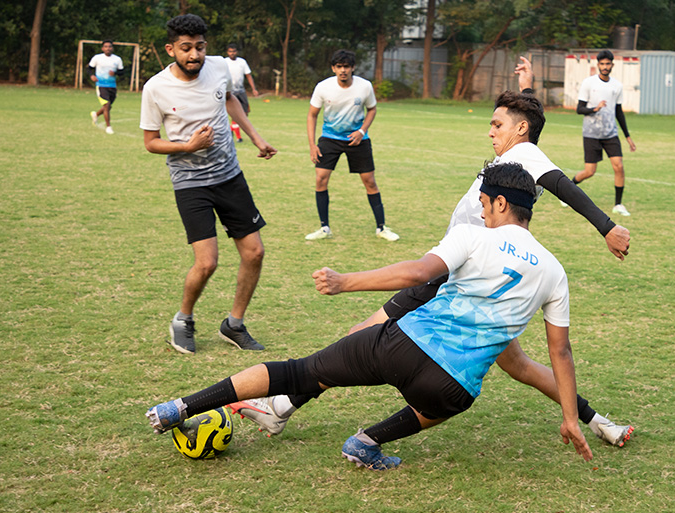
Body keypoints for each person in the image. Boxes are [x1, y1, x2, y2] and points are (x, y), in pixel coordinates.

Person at [230, 57, 635, 448]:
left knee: (361, 336)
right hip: (477, 276)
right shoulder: (518, 153)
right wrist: (526, 87)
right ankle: (600, 423)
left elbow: (566, 186)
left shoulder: (526, 155)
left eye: (497, 125)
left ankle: (281, 405)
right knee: (522, 367)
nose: (490, 132)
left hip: (455, 274)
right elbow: (529, 126)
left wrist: (607, 227)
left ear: (520, 129)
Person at [147, 162, 593, 470]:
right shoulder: (555, 271)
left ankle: (180, 406)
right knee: (445, 404)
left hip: (397, 345)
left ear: (499, 203)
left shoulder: (472, 236)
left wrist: (346, 281)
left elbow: (420, 273)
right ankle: (368, 442)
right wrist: (570, 418)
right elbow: (561, 351)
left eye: (482, 201)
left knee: (297, 372)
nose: (479, 209)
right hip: (450, 383)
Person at [139, 14, 278, 353]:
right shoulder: (156, 88)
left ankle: (234, 324)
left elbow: (228, 99)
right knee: (207, 262)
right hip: (191, 183)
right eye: (186, 48)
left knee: (255, 252)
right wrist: (187, 146)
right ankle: (183, 319)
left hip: (230, 176)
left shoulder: (218, 68)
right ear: (171, 49)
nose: (194, 56)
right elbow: (151, 142)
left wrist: (255, 137)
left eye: (200, 47)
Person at [305, 49, 398, 242]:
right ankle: (324, 228)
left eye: (346, 66)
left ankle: (381, 228)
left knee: (370, 182)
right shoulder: (323, 87)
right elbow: (312, 114)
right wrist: (312, 145)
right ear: (333, 68)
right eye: (339, 67)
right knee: (320, 179)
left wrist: (362, 131)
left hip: (357, 140)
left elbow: (372, 109)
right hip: (329, 139)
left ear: (353, 68)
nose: (343, 70)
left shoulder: (364, 87)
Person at [570, 50, 636, 217]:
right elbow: (579, 109)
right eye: (602, 64)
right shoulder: (588, 83)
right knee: (590, 171)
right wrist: (595, 108)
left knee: (619, 166)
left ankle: (618, 204)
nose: (605, 67)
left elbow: (619, 112)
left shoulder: (617, 86)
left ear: (612, 65)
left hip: (610, 133)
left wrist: (627, 136)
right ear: (597, 65)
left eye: (608, 64)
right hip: (591, 133)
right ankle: (569, 188)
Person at [224, 43, 259, 142]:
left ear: (236, 52)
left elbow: (248, 75)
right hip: (230, 92)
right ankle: (238, 137)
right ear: (227, 52)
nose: (232, 53)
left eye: (234, 51)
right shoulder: (224, 62)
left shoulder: (242, 62)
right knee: (234, 113)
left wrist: (254, 88)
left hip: (241, 91)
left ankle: (231, 129)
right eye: (230, 51)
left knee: (245, 113)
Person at [88, 40, 124, 135]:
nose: (108, 48)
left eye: (110, 46)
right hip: (101, 85)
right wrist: (92, 76)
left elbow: (122, 72)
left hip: (112, 86)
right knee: (107, 105)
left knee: (107, 106)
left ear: (112, 48)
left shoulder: (117, 59)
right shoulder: (97, 58)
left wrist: (115, 73)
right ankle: (108, 127)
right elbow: (89, 68)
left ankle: (96, 114)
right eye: (106, 46)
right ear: (102, 48)